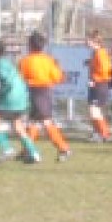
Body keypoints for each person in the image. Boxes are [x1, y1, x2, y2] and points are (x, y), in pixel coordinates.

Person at [17, 30, 72, 162]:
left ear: (30, 45)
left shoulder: (25, 61)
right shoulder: (49, 60)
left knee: (44, 122)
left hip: (35, 92)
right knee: (35, 122)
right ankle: (27, 150)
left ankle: (63, 148)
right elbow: (58, 77)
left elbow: (20, 78)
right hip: (46, 92)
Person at [0, 39, 41, 164]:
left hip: (12, 97)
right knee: (17, 125)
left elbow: (8, 82)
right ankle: (34, 153)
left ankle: (6, 148)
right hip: (21, 96)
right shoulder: (6, 62)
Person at [84, 29, 112, 142]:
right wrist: (89, 62)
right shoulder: (95, 53)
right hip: (95, 84)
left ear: (94, 41)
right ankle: (98, 133)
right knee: (92, 110)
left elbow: (105, 70)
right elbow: (99, 66)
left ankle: (104, 134)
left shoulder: (100, 53)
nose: (86, 42)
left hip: (100, 85)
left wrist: (95, 80)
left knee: (94, 109)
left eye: (88, 40)